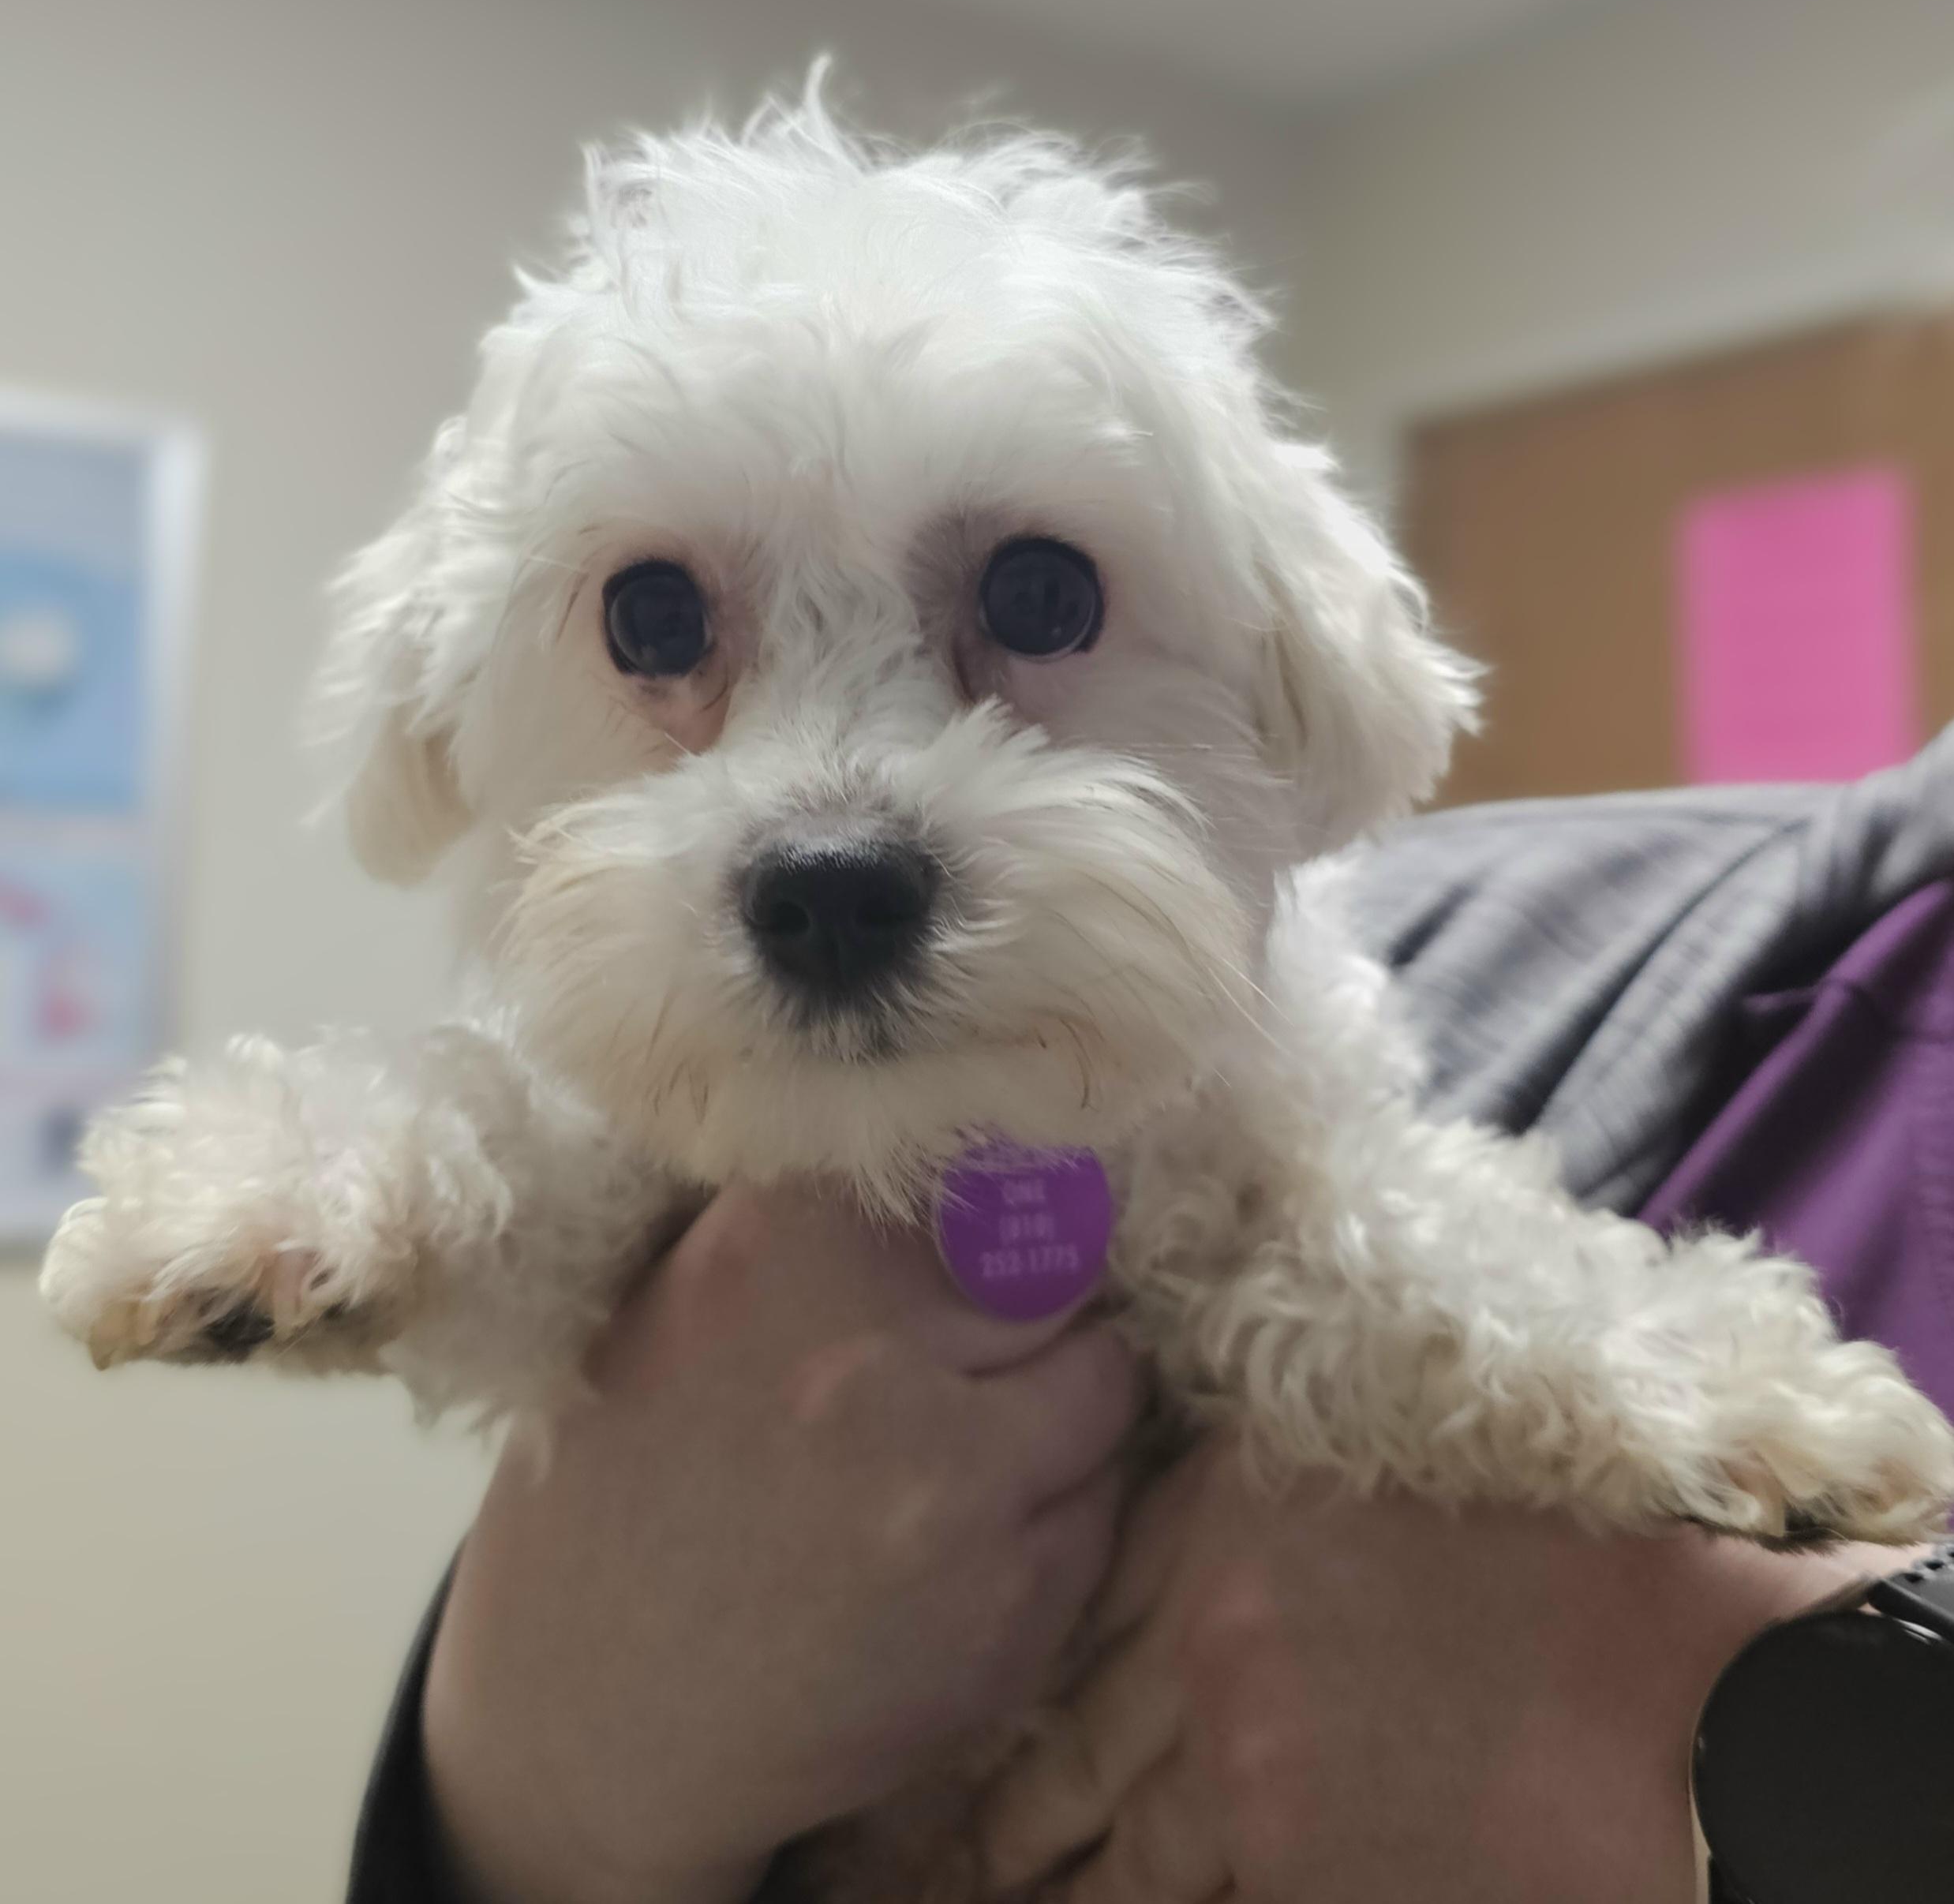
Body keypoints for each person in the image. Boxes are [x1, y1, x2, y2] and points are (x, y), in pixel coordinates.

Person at [350, 731, 1954, 1904]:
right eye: (658, 621)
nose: (834, 803)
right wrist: (519, 1793)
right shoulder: (1470, 920)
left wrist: (1809, 1749)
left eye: (1031, 598)